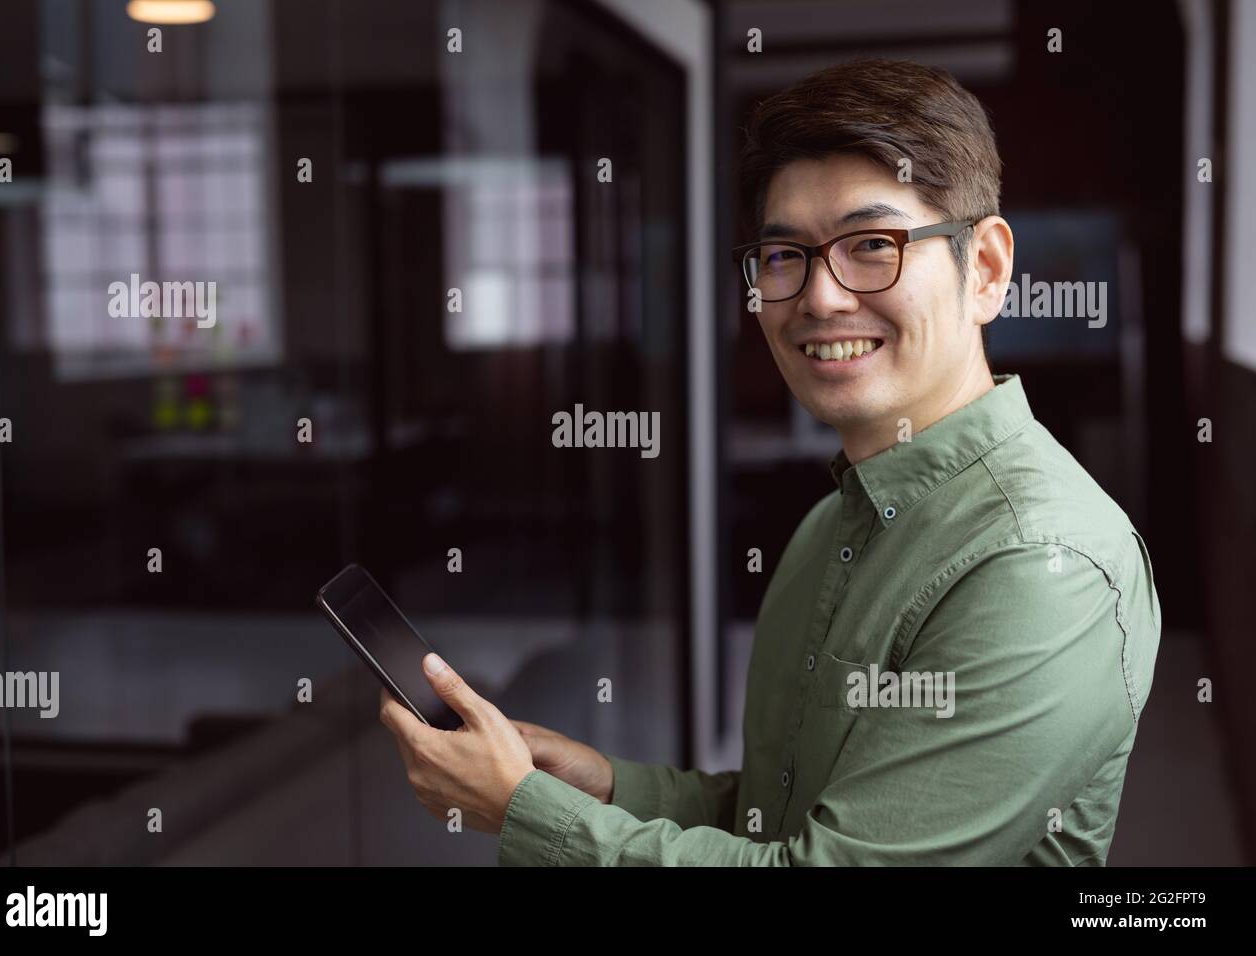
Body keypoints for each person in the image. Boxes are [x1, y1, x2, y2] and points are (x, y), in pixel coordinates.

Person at [379, 57, 1162, 866]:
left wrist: (524, 812)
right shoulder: (834, 520)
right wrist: (608, 788)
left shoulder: (1040, 564)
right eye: (785, 256)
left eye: (872, 244)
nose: (820, 298)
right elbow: (791, 811)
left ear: (987, 271)